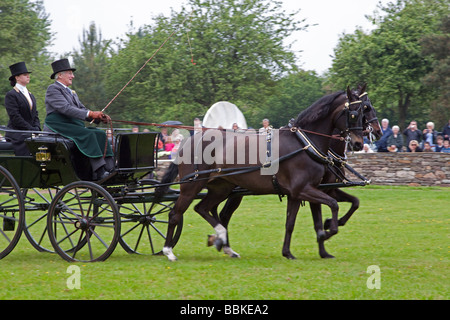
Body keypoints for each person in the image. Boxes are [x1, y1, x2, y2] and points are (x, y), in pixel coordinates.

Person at [44, 58, 113, 180]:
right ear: (60, 75)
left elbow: (81, 108)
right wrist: (91, 113)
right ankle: (99, 171)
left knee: (100, 134)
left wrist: (98, 118)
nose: (73, 76)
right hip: (59, 125)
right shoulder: (53, 89)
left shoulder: (71, 92)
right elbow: (65, 109)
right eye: (70, 73)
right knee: (88, 135)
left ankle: (110, 168)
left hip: (72, 125)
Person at [4, 62, 41, 156]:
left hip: (30, 132)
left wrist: (37, 128)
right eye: (25, 75)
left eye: (28, 74)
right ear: (17, 77)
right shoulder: (11, 95)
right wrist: (30, 129)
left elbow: (35, 114)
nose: (28, 76)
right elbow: (15, 116)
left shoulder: (30, 95)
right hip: (17, 133)